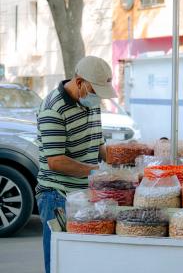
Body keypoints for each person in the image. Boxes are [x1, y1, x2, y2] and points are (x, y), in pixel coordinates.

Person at [36, 56, 116, 273]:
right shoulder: (53, 109)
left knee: (83, 261)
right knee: (60, 262)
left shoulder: (90, 102)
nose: (98, 97)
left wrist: (119, 163)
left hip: (85, 192)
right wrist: (98, 171)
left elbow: (98, 143)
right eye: (95, 91)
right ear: (79, 82)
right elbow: (56, 161)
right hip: (57, 195)